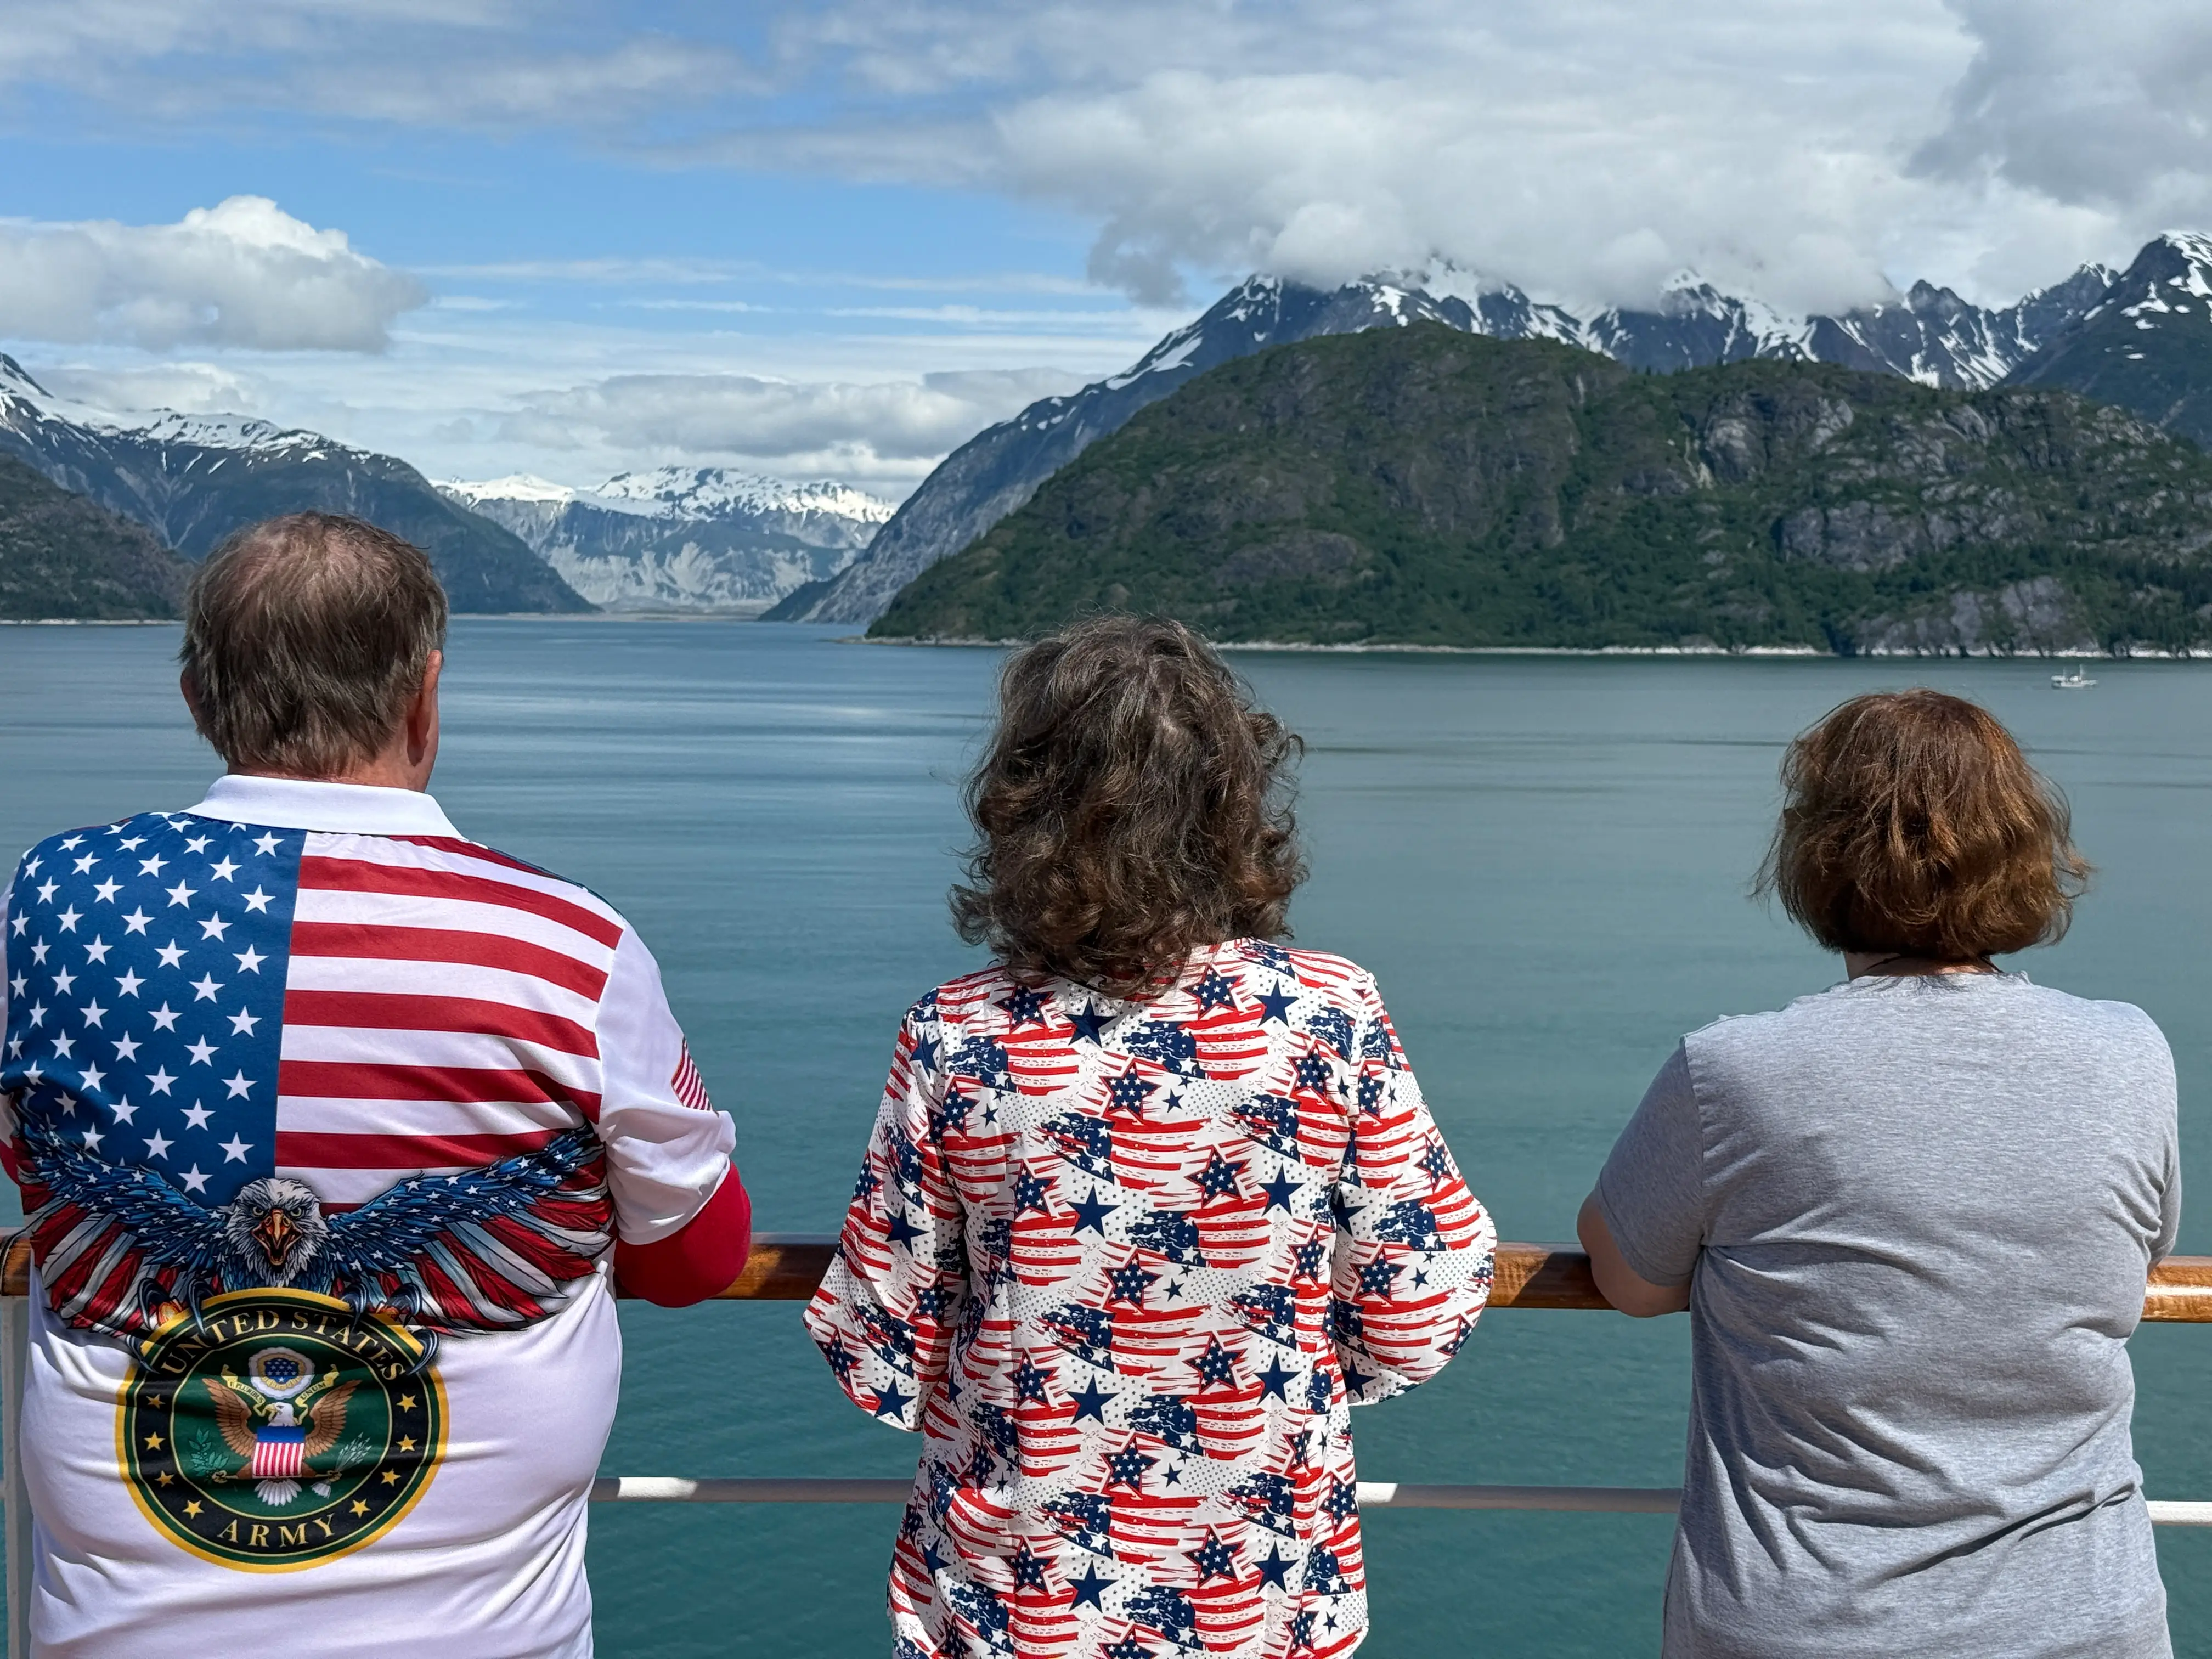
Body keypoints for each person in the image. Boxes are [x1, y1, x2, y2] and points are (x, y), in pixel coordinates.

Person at [0, 513, 752, 1657]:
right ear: (425, 699)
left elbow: (37, 1164)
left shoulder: (44, 907)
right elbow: (697, 1257)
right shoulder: (568, 946)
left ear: (199, 697)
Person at [805, 615, 1494, 1659]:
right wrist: (1264, 1372)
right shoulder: (1332, 1018)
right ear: (1236, 801)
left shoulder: (956, 1036)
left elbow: (884, 1348)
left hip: (1012, 1604)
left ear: (1025, 806)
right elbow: (1413, 1310)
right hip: (1265, 1602)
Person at [1579, 689, 2179, 1659]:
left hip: (1809, 1624)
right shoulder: (2129, 1052)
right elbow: (2139, 1255)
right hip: (2085, 1620)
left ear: (1818, 855)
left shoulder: (1735, 1071)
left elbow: (1629, 1280)